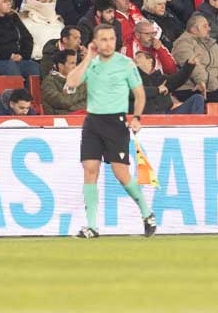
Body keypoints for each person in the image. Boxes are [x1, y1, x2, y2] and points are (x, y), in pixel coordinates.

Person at [63, 23, 156, 239]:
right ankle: (92, 226)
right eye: (103, 39)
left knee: (121, 174)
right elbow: (71, 84)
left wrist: (137, 117)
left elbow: (140, 94)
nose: (108, 43)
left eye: (111, 39)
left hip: (116, 122)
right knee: (89, 169)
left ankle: (146, 213)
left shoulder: (126, 64)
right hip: (93, 122)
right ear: (95, 42)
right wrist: (87, 58)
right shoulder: (91, 63)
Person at [171, 12, 218, 102]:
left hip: (212, 90)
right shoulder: (183, 43)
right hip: (190, 88)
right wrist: (201, 82)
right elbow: (193, 66)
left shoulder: (213, 45)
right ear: (194, 30)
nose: (209, 29)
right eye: (205, 26)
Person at [40, 48, 88, 115]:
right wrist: (81, 94)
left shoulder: (80, 80)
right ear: (61, 66)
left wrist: (69, 102)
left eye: (75, 63)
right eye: (72, 63)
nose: (75, 67)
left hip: (81, 118)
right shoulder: (48, 82)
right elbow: (63, 102)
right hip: (59, 121)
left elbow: (87, 103)